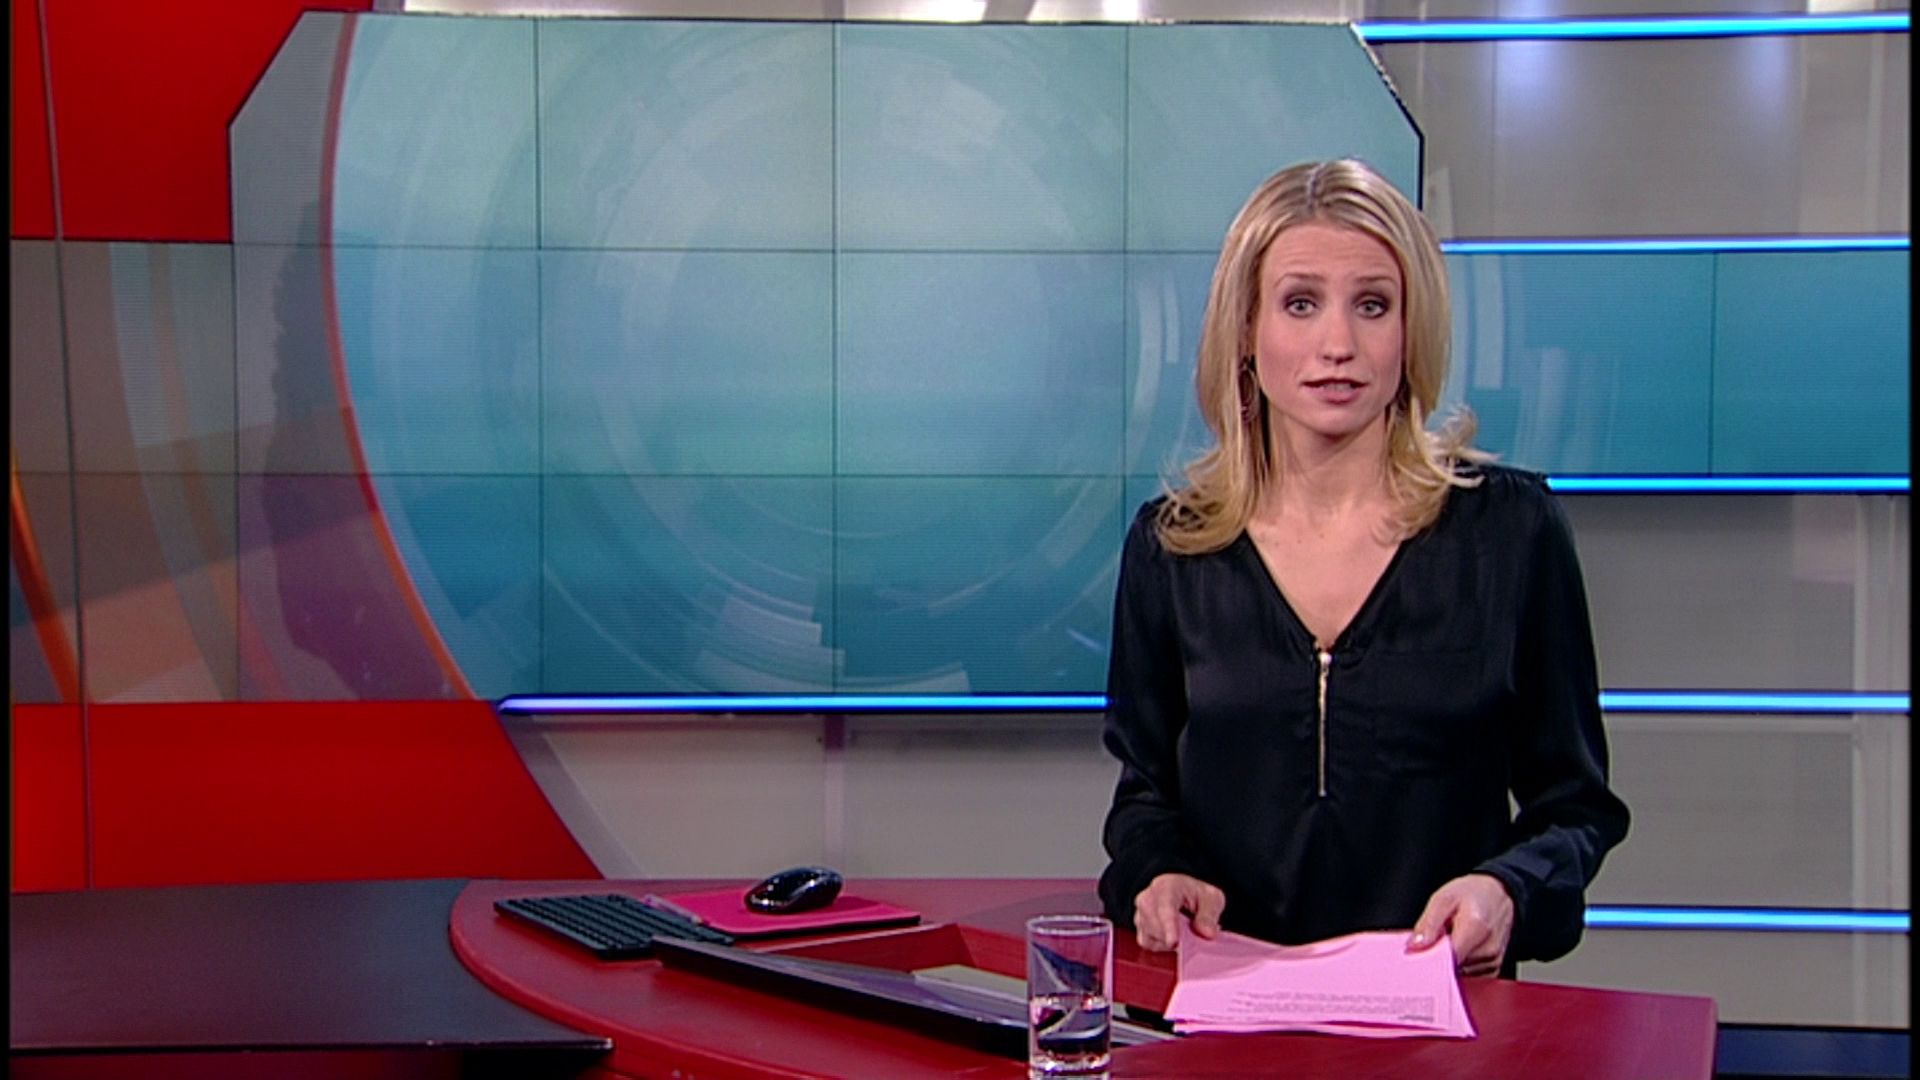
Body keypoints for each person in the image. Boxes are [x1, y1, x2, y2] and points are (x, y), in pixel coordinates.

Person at [1097, 158, 1629, 979]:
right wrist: (1157, 873)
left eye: (1373, 305)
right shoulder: (1174, 547)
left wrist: (1507, 890)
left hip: (1444, 1016)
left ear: (1412, 330)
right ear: (1246, 328)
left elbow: (1576, 807)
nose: (1338, 345)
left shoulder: (1511, 534)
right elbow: (1145, 798)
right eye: (1300, 303)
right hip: (1224, 1009)